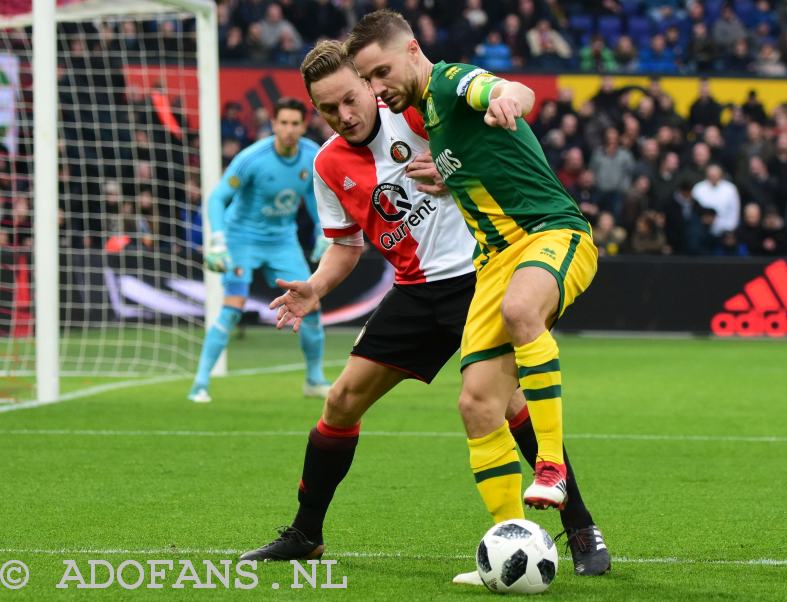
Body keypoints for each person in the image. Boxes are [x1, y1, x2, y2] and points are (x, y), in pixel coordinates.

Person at [239, 40, 610, 580]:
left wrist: (467, 143)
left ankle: (579, 525)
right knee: (341, 400)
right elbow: (346, 246)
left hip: (476, 275)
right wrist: (316, 288)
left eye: (349, 99)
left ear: (368, 84)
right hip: (414, 292)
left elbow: (478, 122)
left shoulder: (415, 110)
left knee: (503, 403)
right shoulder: (326, 165)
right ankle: (306, 533)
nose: (343, 116)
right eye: (327, 109)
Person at [347, 7, 598, 538]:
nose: (375, 90)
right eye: (367, 80)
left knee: (521, 308)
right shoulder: (427, 122)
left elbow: (508, 91)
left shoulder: (449, 80)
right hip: (493, 263)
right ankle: (513, 542)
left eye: (381, 73)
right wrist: (448, 174)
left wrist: (510, 99)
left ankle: (551, 466)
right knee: (477, 404)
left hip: (551, 234)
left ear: (412, 50)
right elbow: (477, 158)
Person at [188, 98, 331, 403]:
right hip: (243, 239)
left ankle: (314, 379)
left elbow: (313, 195)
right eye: (284, 123)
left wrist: (323, 231)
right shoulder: (252, 158)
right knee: (233, 307)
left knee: (311, 304)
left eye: (295, 124)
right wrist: (217, 241)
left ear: (304, 126)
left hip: (282, 240)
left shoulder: (312, 155)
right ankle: (200, 383)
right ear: (274, 125)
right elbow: (216, 198)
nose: (289, 130)